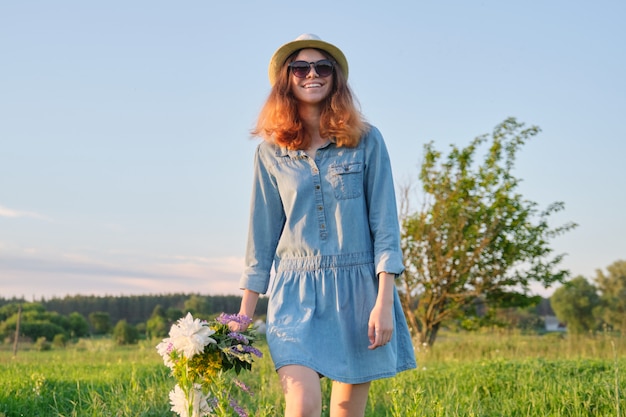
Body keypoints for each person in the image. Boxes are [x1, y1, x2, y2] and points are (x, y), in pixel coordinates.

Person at [232, 33, 416, 417]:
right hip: (294, 295)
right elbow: (260, 238)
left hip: (357, 292)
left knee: (347, 411)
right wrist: (242, 320)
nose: (311, 74)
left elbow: (385, 226)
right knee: (301, 408)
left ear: (335, 77)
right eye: (300, 67)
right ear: (287, 79)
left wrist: (384, 302)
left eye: (322, 67)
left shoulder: (366, 141)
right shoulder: (269, 153)